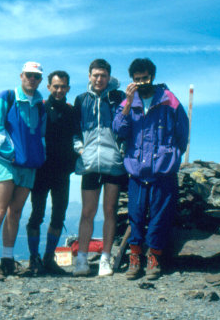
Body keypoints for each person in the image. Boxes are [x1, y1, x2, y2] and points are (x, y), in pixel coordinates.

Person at [113, 58, 188, 280]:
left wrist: (171, 156)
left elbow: (182, 134)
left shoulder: (169, 100)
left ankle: (154, 259)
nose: (142, 82)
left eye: (145, 78)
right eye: (137, 79)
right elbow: (119, 130)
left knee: (160, 217)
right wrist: (127, 103)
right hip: (137, 170)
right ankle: (134, 260)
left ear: (152, 76)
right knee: (135, 216)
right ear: (132, 80)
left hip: (163, 171)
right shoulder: (129, 102)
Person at [0, 61, 47, 281]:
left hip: (28, 166)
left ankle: (7, 260)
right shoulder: (7, 96)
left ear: (40, 80)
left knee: (15, 212)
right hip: (7, 163)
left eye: (36, 76)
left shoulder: (40, 105)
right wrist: (9, 153)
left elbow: (41, 134)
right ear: (21, 76)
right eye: (29, 75)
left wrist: (39, 154)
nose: (32, 79)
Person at [72, 59, 127, 277]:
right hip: (90, 163)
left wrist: (121, 150)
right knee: (87, 212)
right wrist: (79, 148)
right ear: (89, 76)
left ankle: (105, 258)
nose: (99, 79)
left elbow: (125, 126)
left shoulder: (119, 98)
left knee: (110, 210)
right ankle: (82, 259)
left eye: (103, 75)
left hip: (113, 162)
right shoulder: (81, 100)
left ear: (108, 77)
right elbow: (75, 129)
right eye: (95, 75)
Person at [26, 71, 76, 275]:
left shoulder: (72, 111)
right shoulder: (40, 107)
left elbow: (77, 136)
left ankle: (48, 258)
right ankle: (34, 258)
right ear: (48, 87)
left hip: (62, 171)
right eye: (55, 86)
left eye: (63, 86)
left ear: (68, 88)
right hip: (41, 170)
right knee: (36, 215)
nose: (59, 90)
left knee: (58, 216)